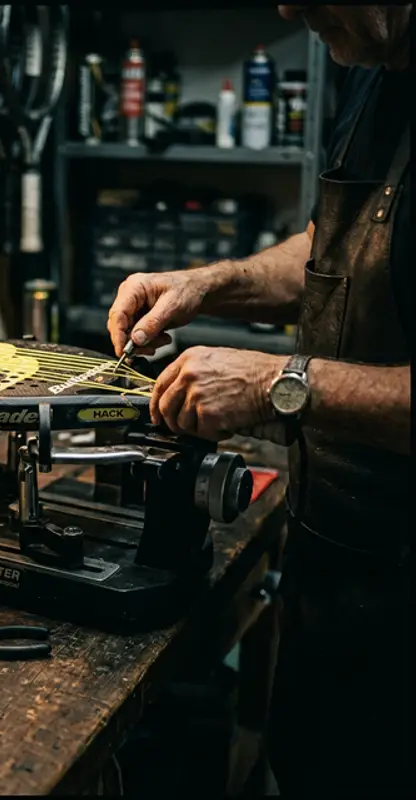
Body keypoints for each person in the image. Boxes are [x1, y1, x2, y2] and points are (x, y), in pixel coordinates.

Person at [107, 5, 411, 796]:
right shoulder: (376, 71)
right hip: (334, 568)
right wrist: (205, 286)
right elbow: (334, 248)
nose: (282, 7)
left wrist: (275, 384)